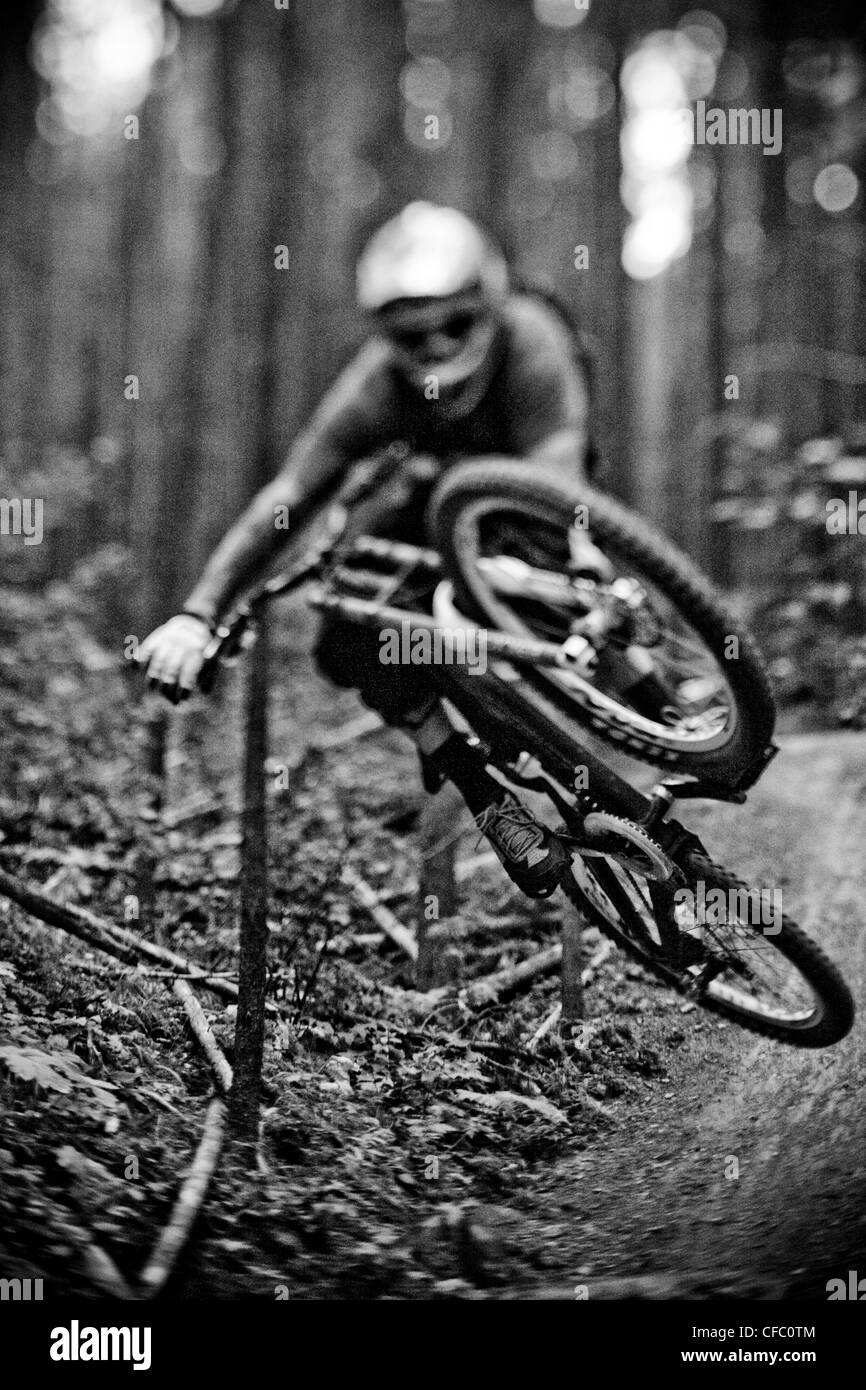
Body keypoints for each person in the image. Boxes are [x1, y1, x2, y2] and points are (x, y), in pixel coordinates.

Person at [138, 201, 607, 898]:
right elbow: (290, 496)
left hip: (532, 493)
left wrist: (579, 548)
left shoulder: (532, 337)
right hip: (433, 499)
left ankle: (642, 682)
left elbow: (560, 454)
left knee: (539, 548)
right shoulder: (378, 383)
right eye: (410, 336)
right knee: (350, 634)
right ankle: (488, 798)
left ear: (490, 301)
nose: (436, 349)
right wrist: (198, 614)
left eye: (455, 324)